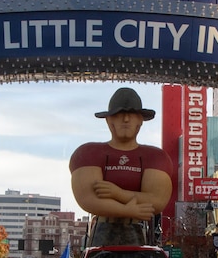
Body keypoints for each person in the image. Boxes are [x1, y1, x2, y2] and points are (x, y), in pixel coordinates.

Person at [69, 87, 173, 247]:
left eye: (131, 115)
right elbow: (88, 199)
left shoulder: (155, 157)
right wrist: (130, 210)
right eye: (119, 115)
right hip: (103, 230)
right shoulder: (88, 153)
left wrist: (118, 193)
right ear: (109, 120)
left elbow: (156, 201)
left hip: (138, 230)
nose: (125, 119)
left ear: (140, 120)